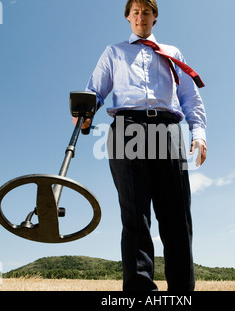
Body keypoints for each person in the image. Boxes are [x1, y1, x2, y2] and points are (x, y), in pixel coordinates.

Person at [74, 0, 207, 291]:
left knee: (177, 215)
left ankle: (181, 291)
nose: (140, 16)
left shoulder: (172, 53)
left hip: (167, 129)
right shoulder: (114, 52)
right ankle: (139, 292)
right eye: (135, 12)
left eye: (146, 11)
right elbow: (95, 90)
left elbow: (190, 96)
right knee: (135, 214)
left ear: (154, 17)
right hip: (127, 128)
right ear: (128, 17)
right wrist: (83, 113)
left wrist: (198, 133)